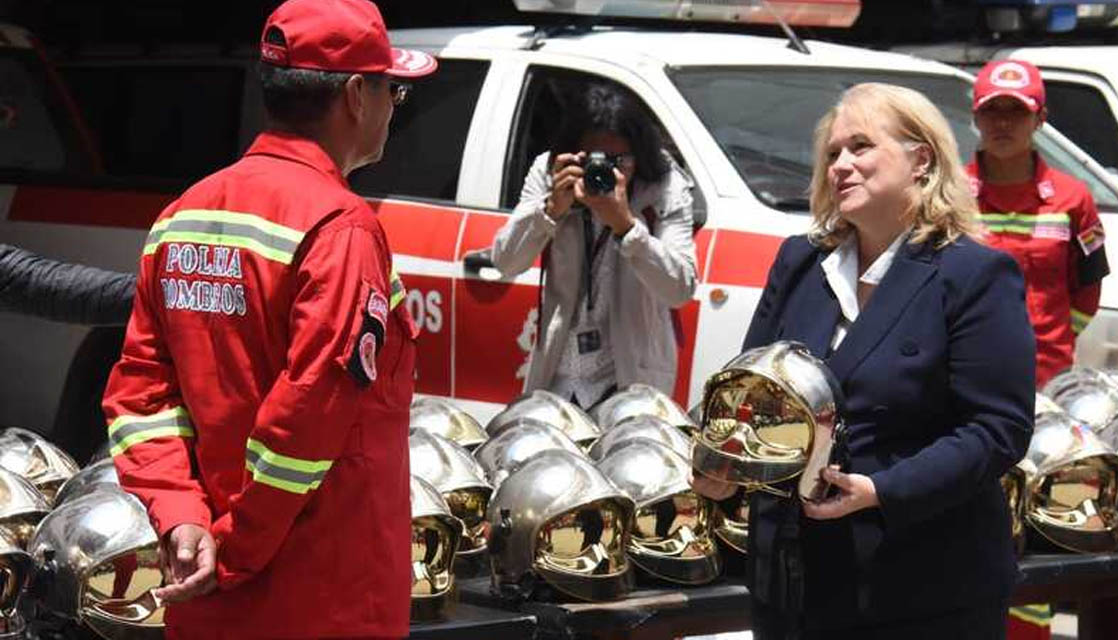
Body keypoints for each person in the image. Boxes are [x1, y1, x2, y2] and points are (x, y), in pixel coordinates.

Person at [100, 0, 436, 637]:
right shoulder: (342, 228)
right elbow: (308, 418)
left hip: (202, 592)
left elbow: (140, 395)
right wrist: (236, 548)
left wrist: (182, 518)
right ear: (358, 95)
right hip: (322, 597)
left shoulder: (182, 216)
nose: (396, 107)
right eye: (395, 90)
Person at [693, 83, 1035, 638]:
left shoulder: (972, 274)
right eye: (832, 153)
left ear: (920, 160)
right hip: (791, 582)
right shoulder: (800, 260)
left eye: (860, 147)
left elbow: (998, 430)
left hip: (921, 587)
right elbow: (748, 394)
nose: (841, 166)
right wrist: (722, 465)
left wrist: (882, 492)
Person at [491, 83, 697, 409]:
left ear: (639, 154)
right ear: (574, 153)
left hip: (629, 379)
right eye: (594, 158)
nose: (606, 170)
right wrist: (549, 211)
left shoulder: (665, 186)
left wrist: (626, 227)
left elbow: (680, 288)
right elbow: (505, 262)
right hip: (560, 377)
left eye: (619, 160)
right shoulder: (551, 173)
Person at [967, 59, 1110, 389]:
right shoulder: (950, 195)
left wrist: (1058, 338)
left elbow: (1090, 283)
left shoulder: (1073, 197)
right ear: (975, 117)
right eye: (992, 111)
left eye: (1016, 111)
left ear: (1040, 119)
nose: (1003, 122)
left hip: (1047, 374)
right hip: (968, 372)